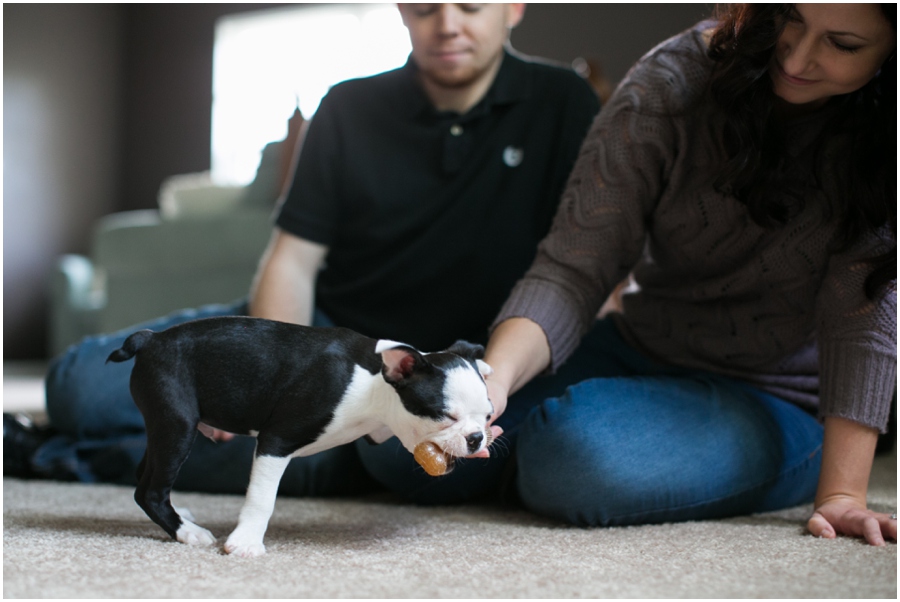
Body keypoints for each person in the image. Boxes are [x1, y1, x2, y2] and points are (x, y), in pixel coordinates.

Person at [4, 3, 600, 499]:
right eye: (424, 5)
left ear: (514, 5)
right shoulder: (348, 106)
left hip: (439, 374)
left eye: (470, 4)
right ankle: (76, 433)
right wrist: (267, 376)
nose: (446, 23)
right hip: (311, 336)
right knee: (75, 387)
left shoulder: (565, 102)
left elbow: (582, 270)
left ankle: (55, 455)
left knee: (305, 458)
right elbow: (292, 259)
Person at [481, 3, 897, 546]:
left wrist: (842, 494)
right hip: (641, 344)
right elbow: (572, 265)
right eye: (789, 17)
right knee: (412, 436)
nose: (796, 55)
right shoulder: (672, 79)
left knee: (573, 456)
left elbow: (861, 318)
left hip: (779, 397)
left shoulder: (884, 141)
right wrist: (491, 385)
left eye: (842, 44)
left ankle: (520, 459)